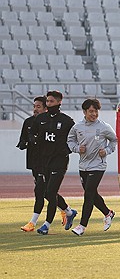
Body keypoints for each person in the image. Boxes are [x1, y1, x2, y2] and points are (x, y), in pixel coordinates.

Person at [30, 90, 78, 235]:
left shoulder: (67, 121)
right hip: (44, 161)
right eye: (48, 101)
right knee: (45, 192)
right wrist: (33, 139)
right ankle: (69, 212)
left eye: (51, 101)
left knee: (51, 192)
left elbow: (75, 138)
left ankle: (46, 224)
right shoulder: (41, 119)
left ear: (58, 102)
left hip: (59, 161)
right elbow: (33, 133)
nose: (48, 104)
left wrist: (66, 150)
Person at [67, 99, 117, 236]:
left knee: (88, 194)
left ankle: (82, 226)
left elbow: (114, 140)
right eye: (91, 111)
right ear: (84, 112)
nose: (94, 114)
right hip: (83, 166)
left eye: (96, 111)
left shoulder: (104, 127)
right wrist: (77, 148)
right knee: (93, 194)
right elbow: (70, 140)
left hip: (98, 165)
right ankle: (108, 213)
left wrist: (106, 151)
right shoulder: (77, 127)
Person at [17, 96, 66, 231]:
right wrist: (24, 143)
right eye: (34, 106)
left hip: (47, 162)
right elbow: (22, 140)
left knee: (40, 191)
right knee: (47, 192)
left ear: (46, 108)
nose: (35, 109)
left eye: (38, 107)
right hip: (34, 163)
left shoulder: (49, 123)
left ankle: (33, 222)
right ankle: (67, 210)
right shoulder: (28, 122)